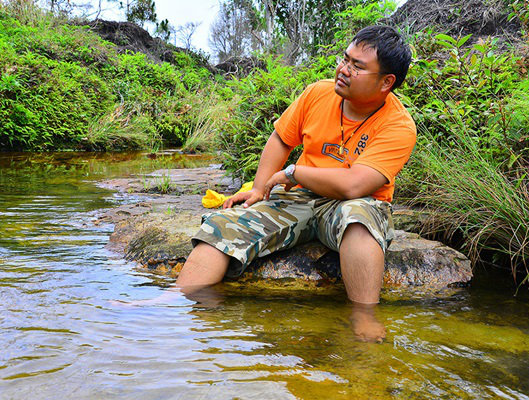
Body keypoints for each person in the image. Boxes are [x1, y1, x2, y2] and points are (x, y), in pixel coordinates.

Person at [177, 25, 415, 341]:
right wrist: (260, 189)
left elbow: (355, 185)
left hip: (355, 203)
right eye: (344, 59)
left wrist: (294, 174)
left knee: (360, 221)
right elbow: (281, 138)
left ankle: (364, 317)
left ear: (387, 82)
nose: (343, 70)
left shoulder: (398, 126)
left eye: (357, 66)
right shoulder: (318, 93)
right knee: (223, 224)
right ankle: (174, 302)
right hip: (298, 200)